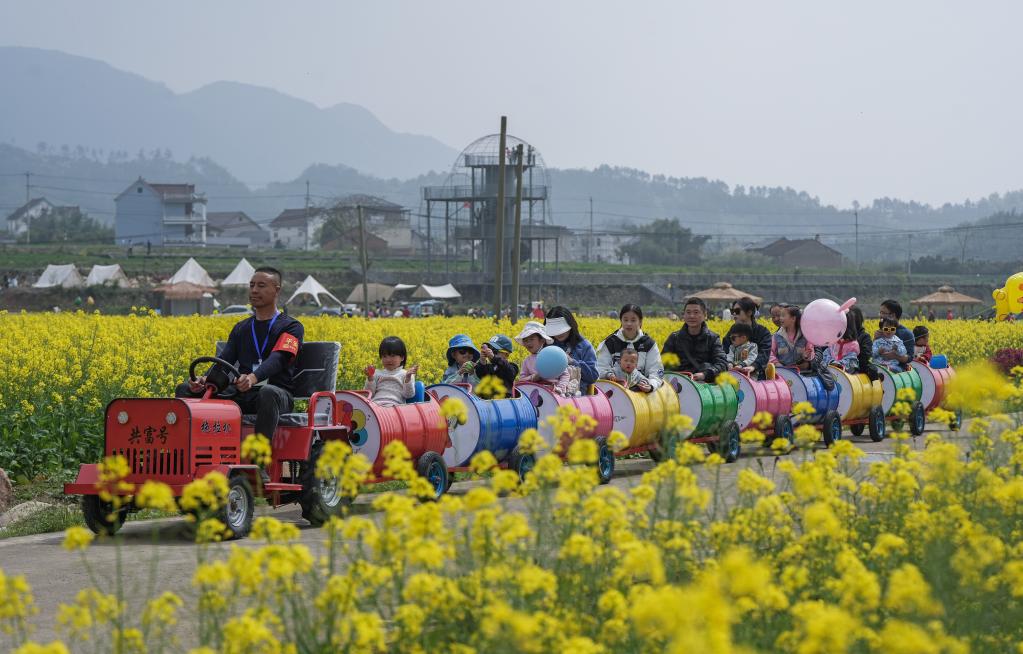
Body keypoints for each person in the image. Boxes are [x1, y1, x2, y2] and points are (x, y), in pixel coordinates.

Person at [175, 267, 303, 448]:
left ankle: (259, 457)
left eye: (261, 286)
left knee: (268, 392)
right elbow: (225, 359)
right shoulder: (241, 328)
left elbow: (279, 358)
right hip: (242, 393)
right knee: (185, 389)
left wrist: (253, 377)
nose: (254, 290)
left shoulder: (292, 327)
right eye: (251, 285)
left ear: (277, 290)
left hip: (277, 395)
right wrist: (205, 380)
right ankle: (191, 451)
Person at [596, 304, 665, 390]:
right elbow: (601, 368)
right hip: (615, 390)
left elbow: (656, 371)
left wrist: (650, 386)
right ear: (621, 321)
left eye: (633, 320)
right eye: (625, 320)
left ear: (640, 322)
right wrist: (610, 376)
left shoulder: (649, 344)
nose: (629, 323)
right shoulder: (610, 342)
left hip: (642, 393)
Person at [661, 297, 728, 382]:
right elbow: (662, 363)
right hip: (678, 383)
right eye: (688, 312)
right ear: (684, 315)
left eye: (696, 312)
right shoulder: (674, 338)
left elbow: (722, 364)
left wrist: (705, 374)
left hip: (703, 384)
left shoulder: (713, 338)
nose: (691, 316)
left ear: (705, 315)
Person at [544, 306, 598, 395]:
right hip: (549, 395)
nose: (559, 333)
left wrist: (572, 362)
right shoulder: (547, 344)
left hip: (575, 398)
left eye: (561, 329)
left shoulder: (584, 346)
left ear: (571, 325)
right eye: (555, 330)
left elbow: (593, 376)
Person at [516, 321, 570, 395]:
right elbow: (521, 380)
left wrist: (560, 388)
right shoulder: (527, 361)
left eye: (531, 339)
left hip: (554, 391)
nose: (528, 343)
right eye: (525, 340)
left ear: (542, 340)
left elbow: (565, 374)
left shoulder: (552, 355)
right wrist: (533, 377)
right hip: (535, 392)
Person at [725, 296, 773, 378]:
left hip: (756, 374)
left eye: (737, 311)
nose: (734, 314)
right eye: (732, 311)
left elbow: (764, 355)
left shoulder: (762, 332)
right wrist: (728, 364)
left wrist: (753, 366)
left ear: (749, 312)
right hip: (732, 373)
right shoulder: (732, 331)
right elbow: (724, 350)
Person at [363, 336, 418, 407]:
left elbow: (408, 395)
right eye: (384, 356)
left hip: (395, 407)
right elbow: (368, 394)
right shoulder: (376, 373)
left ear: (402, 357)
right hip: (375, 406)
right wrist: (370, 378)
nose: (388, 360)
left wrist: (408, 379)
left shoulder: (406, 374)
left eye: (392, 356)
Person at [770, 305, 812, 370]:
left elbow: (810, 351)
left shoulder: (805, 336)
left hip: (802, 374)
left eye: (783, 315)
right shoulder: (776, 336)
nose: (780, 318)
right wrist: (777, 363)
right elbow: (770, 353)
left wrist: (807, 357)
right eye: (780, 315)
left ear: (793, 318)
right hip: (783, 373)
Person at [879, 299, 913, 370]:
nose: (880, 316)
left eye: (883, 313)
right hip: (881, 367)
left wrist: (896, 356)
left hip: (898, 371)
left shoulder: (906, 333)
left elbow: (909, 358)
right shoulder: (881, 330)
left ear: (892, 315)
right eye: (880, 312)